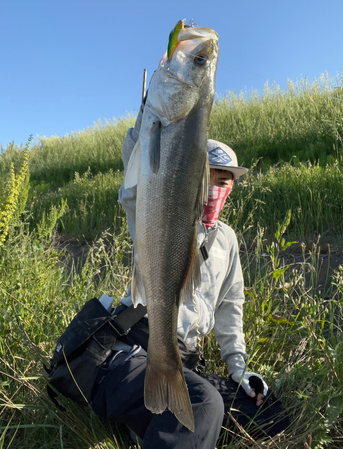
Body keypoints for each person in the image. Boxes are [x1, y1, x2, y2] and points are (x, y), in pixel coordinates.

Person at [90, 108, 290, 448]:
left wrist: (240, 370)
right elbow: (134, 179)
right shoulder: (159, 210)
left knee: (268, 411)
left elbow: (231, 307)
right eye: (206, 178)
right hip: (138, 349)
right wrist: (148, 121)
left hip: (185, 360)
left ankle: (157, 425)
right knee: (204, 403)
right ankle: (162, 421)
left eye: (223, 182)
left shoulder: (227, 239)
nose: (214, 189)